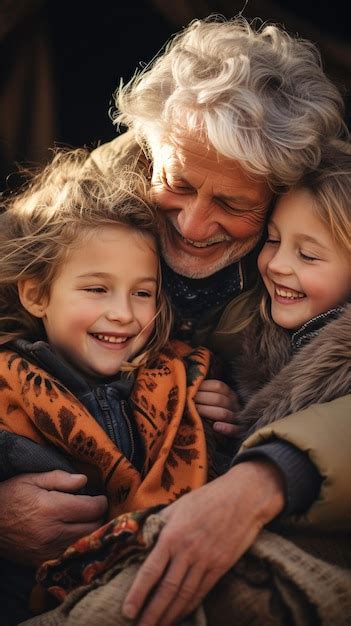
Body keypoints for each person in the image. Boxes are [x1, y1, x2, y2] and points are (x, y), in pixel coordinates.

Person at [1, 14, 350, 626]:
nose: (191, 225)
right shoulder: (69, 212)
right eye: (178, 184)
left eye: (234, 204)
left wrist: (262, 479)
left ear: (282, 192)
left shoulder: (323, 233)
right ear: (149, 147)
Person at [0, 148, 221, 624]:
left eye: (142, 293)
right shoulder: (6, 388)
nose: (124, 312)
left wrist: (219, 415)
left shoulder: (176, 379)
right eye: (97, 289)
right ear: (36, 293)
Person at [195, 146, 350, 449]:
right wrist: (237, 408)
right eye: (273, 240)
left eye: (307, 255)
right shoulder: (249, 329)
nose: (276, 264)